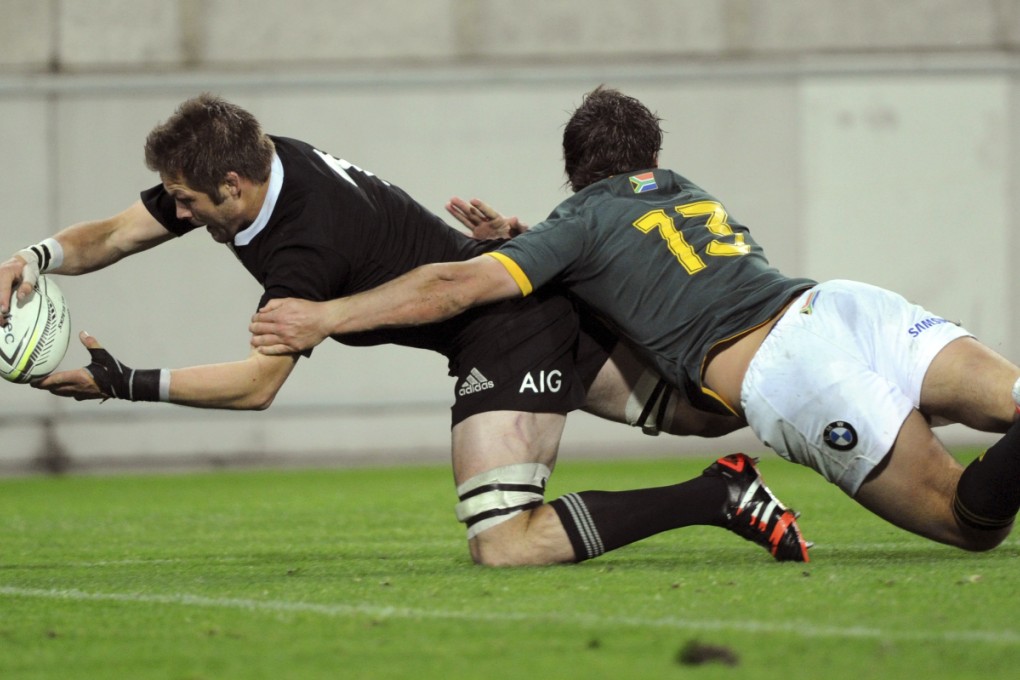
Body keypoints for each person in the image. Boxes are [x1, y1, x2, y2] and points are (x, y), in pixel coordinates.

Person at [0, 93, 811, 567]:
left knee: (504, 540)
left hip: (503, 329)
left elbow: (256, 388)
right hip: (523, 307)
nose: (172, 213)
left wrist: (123, 382)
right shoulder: (258, 161)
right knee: (710, 406)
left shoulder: (302, 243)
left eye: (184, 200)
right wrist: (34, 257)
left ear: (234, 185)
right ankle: (839, 411)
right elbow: (113, 234)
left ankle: (719, 492)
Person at [249, 85, 1020, 553]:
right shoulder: (682, 187)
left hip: (792, 370)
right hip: (846, 305)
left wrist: (325, 316)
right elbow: (637, 254)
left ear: (573, 168)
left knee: (970, 522)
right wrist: (530, 239)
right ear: (649, 152)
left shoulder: (579, 221)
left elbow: (453, 286)